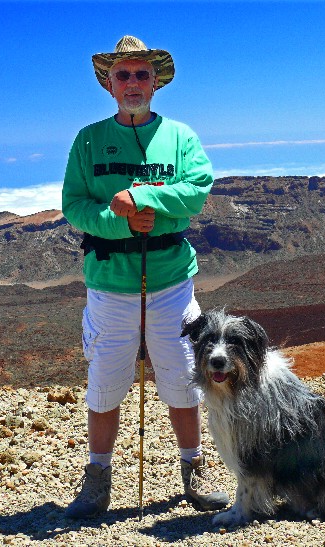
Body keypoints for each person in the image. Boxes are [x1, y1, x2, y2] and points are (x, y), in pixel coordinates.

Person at [61, 35, 229, 519]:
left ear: (155, 83)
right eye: (123, 75)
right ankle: (97, 482)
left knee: (182, 378)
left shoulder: (181, 137)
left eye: (141, 74)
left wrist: (147, 201)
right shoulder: (88, 140)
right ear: (109, 84)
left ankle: (194, 474)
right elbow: (75, 205)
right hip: (111, 283)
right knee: (106, 383)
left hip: (170, 282)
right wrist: (119, 223)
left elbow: (196, 190)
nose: (132, 82)